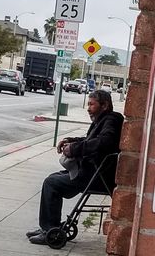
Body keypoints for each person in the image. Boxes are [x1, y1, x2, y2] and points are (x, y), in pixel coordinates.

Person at [26, 90, 124, 245]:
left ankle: (49, 229)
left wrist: (75, 149)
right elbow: (89, 139)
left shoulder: (111, 120)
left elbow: (104, 142)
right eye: (88, 104)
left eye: (92, 104)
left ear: (104, 105)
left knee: (51, 183)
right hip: (90, 172)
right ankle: (48, 226)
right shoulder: (101, 120)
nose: (88, 108)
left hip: (96, 176)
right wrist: (70, 140)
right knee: (52, 179)